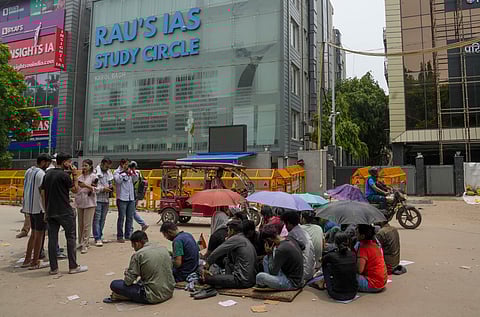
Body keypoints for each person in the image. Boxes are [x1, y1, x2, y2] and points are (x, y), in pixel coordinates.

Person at [40, 152, 88, 275]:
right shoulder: (64, 176)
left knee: (52, 239)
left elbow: (43, 192)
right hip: (65, 211)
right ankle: (73, 266)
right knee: (71, 237)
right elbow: (76, 190)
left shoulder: (47, 174)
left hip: (51, 211)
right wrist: (75, 175)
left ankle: (53, 268)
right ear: (65, 162)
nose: (71, 164)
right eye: (69, 162)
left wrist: (45, 210)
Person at [103, 231, 175, 304]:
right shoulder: (163, 249)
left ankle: (122, 296)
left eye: (133, 246)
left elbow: (128, 282)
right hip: (169, 291)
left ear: (137, 243)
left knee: (115, 284)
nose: (134, 248)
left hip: (152, 296)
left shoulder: (138, 254)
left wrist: (127, 273)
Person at [203, 219, 257, 288]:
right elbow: (228, 259)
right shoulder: (244, 238)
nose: (227, 233)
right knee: (226, 260)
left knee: (206, 278)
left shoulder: (235, 239)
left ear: (232, 231)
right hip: (251, 280)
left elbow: (216, 252)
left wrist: (207, 264)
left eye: (228, 230)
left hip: (241, 280)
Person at [20, 154, 51, 269]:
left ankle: (27, 260)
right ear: (43, 162)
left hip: (29, 208)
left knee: (33, 235)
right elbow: (42, 192)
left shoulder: (28, 171)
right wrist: (46, 210)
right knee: (39, 235)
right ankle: (35, 261)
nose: (48, 166)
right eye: (47, 163)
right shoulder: (42, 174)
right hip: (39, 208)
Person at [255, 224, 304, 290]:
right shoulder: (290, 238)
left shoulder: (281, 249)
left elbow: (273, 272)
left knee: (259, 277)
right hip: (298, 277)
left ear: (269, 239)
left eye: (265, 241)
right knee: (265, 259)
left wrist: (270, 253)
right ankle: (271, 282)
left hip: (292, 282)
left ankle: (269, 284)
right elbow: (303, 246)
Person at [281, 211, 316, 283]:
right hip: (311, 271)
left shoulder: (292, 234)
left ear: (289, 223)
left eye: (285, 224)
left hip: (301, 275)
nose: (285, 226)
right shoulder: (302, 232)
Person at [322, 232, 358, 301]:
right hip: (353, 293)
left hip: (336, 294)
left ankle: (327, 283)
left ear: (335, 243)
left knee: (326, 266)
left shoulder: (332, 256)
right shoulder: (353, 254)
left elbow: (323, 261)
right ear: (347, 241)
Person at [356, 224, 388, 293]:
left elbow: (359, 270)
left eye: (357, 232)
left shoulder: (363, 248)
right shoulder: (375, 244)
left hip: (374, 284)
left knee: (348, 276)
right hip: (382, 281)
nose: (356, 233)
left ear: (362, 236)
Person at [75, 159, 97, 254]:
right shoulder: (79, 177)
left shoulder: (94, 177)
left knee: (87, 224)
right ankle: (80, 242)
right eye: (83, 165)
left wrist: (86, 186)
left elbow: (96, 189)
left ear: (90, 166)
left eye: (86, 165)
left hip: (90, 203)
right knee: (80, 224)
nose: (84, 167)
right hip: (80, 202)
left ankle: (85, 243)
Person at [114, 159, 139, 242]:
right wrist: (124, 173)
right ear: (122, 164)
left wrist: (133, 171)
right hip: (121, 198)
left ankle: (128, 235)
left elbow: (135, 180)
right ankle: (120, 236)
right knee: (121, 217)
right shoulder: (117, 172)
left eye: (128, 164)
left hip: (131, 197)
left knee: (130, 217)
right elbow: (118, 181)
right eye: (126, 164)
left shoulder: (130, 171)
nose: (127, 166)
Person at [93, 158, 113, 246]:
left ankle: (100, 235)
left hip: (106, 198)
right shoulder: (95, 173)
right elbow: (93, 186)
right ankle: (97, 237)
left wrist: (111, 187)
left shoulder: (108, 172)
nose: (107, 168)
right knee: (97, 218)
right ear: (102, 164)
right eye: (106, 166)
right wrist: (102, 189)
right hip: (97, 198)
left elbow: (110, 182)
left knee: (103, 219)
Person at [129, 161, 149, 232]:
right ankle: (142, 224)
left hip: (133, 194)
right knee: (132, 211)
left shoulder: (135, 173)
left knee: (130, 212)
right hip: (137, 194)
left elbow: (132, 181)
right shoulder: (139, 172)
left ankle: (132, 228)